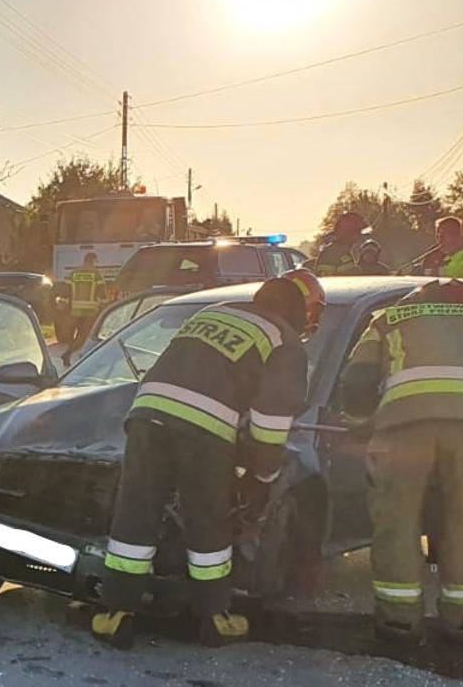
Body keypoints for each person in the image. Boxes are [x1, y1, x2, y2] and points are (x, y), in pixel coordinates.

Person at [91, 274, 320, 649]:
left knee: (135, 511)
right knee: (208, 520)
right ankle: (214, 618)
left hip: (147, 413)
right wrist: (262, 477)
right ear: (303, 308)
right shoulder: (284, 339)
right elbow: (272, 422)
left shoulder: (216, 312)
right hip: (205, 427)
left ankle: (115, 613)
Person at [339, 279, 463, 648]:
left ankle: (399, 624)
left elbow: (358, 377)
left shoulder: (388, 319)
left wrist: (360, 425)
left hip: (403, 428)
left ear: (418, 299)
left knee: (396, 522)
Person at [311, 211, 369, 276]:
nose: (359, 236)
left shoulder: (346, 253)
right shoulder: (330, 254)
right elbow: (326, 281)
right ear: (348, 233)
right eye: (358, 232)